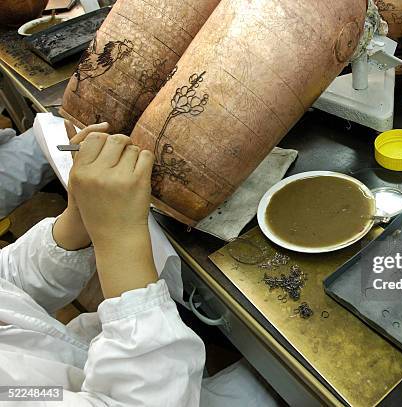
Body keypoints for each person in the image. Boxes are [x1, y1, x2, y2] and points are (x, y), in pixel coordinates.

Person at [0, 125, 278, 406]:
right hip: (151, 385)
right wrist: (118, 238)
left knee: (272, 370)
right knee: (290, 381)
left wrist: (77, 220)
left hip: (121, 367)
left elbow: (8, 281)